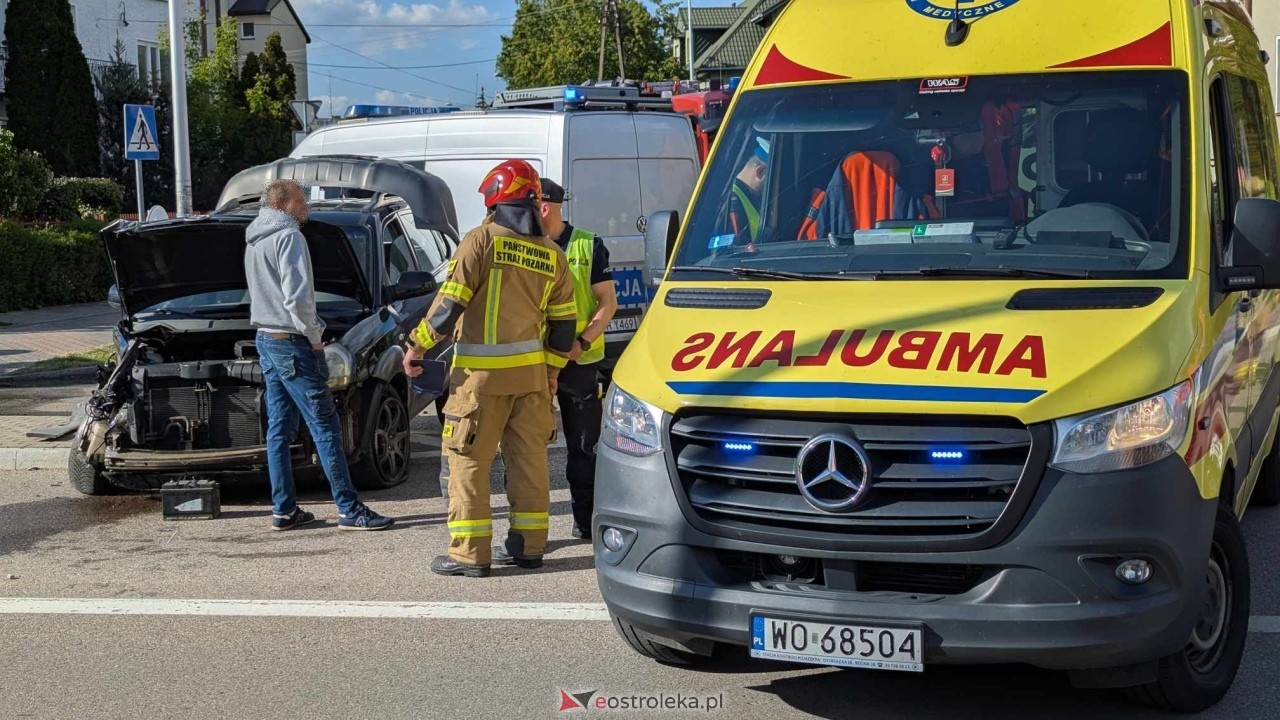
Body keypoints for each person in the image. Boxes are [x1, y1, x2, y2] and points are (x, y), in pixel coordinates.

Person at [404, 159, 577, 578]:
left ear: (497, 199)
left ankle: (469, 554)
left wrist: (416, 345)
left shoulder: (480, 241)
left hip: (480, 382)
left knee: (468, 463)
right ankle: (529, 547)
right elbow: (564, 328)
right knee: (530, 463)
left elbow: (449, 306)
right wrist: (551, 373)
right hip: (532, 380)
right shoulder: (553, 254)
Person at [245, 179, 394, 532]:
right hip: (293, 342)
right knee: (325, 425)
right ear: (283, 204)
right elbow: (298, 298)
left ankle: (284, 510)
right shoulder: (289, 237)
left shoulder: (254, 238)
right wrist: (314, 339)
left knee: (278, 430)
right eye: (302, 200)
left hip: (266, 338)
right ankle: (349, 508)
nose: (307, 206)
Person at [534, 179, 618, 543]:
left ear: (545, 208)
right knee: (526, 447)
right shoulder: (525, 245)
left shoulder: (587, 244)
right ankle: (529, 529)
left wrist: (582, 343)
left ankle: (585, 521)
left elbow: (607, 303)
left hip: (578, 362)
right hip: (535, 360)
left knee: (583, 446)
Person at [727, 137, 770, 245]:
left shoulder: (745, 195)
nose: (768, 187)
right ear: (760, 172)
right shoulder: (733, 202)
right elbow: (737, 249)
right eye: (770, 180)